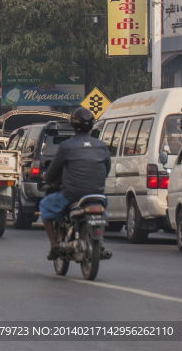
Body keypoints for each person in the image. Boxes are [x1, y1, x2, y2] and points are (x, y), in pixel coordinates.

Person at [39, 107, 112, 260]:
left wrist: (48, 180)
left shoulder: (67, 146)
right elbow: (106, 169)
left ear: (73, 126)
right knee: (103, 212)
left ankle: (54, 245)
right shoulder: (102, 146)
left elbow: (52, 172)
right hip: (98, 195)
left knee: (45, 206)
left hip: (72, 195)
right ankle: (100, 240)